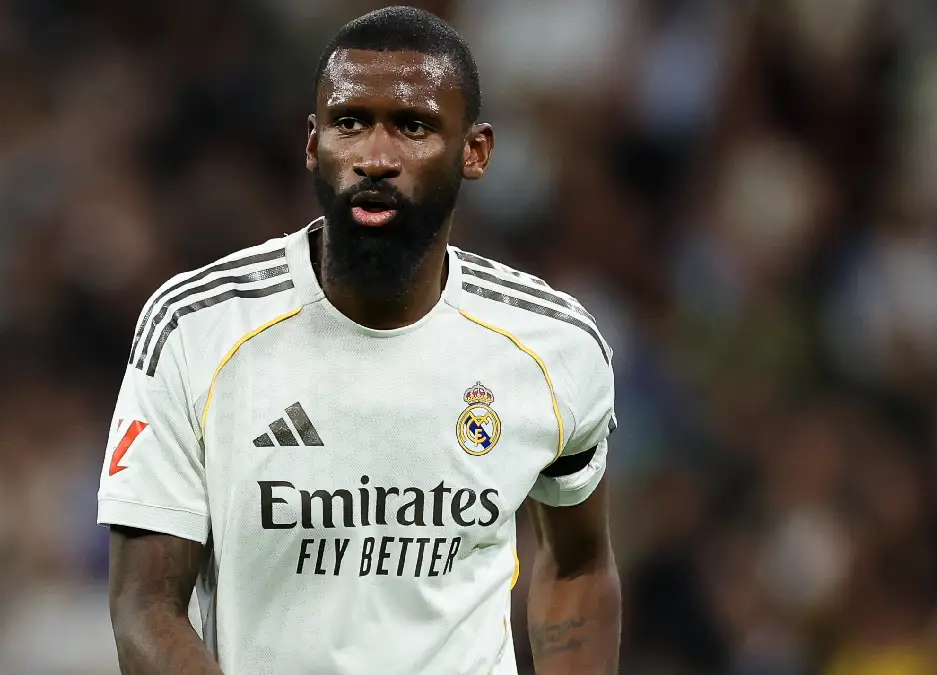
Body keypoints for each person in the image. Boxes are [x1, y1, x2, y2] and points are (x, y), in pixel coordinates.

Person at [98, 6, 620, 674]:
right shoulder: (197, 328)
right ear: (312, 143)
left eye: (412, 126)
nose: (376, 157)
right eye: (350, 123)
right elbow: (145, 609)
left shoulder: (554, 346)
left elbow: (578, 565)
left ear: (476, 151)